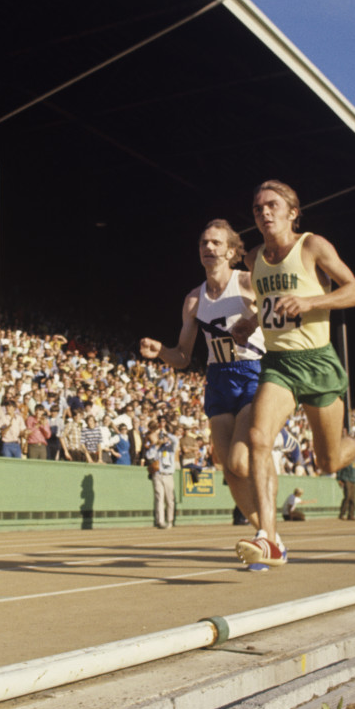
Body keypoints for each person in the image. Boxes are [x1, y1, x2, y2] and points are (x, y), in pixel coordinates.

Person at [233, 181, 355, 567]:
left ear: (293, 212)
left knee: (328, 461)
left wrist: (311, 301)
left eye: (272, 205)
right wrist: (249, 323)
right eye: (258, 207)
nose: (264, 213)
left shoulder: (313, 246)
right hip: (279, 364)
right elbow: (268, 306)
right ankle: (269, 538)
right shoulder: (253, 259)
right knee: (259, 437)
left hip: (318, 362)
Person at [140, 219, 273, 549]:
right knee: (228, 469)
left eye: (215, 243)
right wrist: (161, 353)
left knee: (243, 461)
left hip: (252, 371)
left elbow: (276, 313)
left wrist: (253, 320)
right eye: (203, 243)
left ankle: (268, 530)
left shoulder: (247, 282)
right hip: (217, 379)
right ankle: (269, 536)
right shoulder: (193, 300)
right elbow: (183, 357)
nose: (208, 248)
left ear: (231, 251)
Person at [145, 426, 178, 528]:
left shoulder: (171, 447)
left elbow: (175, 440)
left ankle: (170, 520)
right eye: (161, 437)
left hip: (168, 475)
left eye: (164, 437)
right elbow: (149, 456)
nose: (163, 439)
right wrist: (156, 445)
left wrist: (166, 433)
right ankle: (160, 521)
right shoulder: (157, 448)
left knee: (169, 499)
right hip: (158, 474)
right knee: (159, 498)